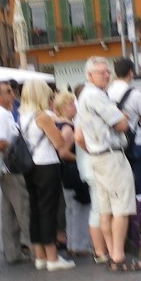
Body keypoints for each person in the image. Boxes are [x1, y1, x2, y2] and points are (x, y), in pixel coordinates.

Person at [77, 56, 141, 272]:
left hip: (97, 156)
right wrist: (121, 117)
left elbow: (80, 136)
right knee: (121, 207)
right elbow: (122, 124)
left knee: (105, 210)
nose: (106, 75)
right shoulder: (96, 96)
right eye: (101, 72)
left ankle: (109, 253)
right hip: (110, 156)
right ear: (89, 75)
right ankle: (118, 255)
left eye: (107, 71)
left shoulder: (84, 96)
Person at [19, 80, 73, 271]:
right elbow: (58, 143)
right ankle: (52, 257)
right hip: (46, 165)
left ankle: (40, 255)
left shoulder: (22, 115)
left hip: (30, 166)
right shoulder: (42, 116)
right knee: (48, 210)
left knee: (35, 209)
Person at [0, 81, 31, 264]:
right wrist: (19, 145)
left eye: (11, 91)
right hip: (10, 167)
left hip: (6, 167)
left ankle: (13, 252)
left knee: (10, 210)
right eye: (8, 92)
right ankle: (36, 249)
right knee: (23, 208)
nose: (12, 94)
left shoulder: (3, 113)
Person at [107, 58, 141, 197]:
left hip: (117, 146)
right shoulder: (134, 93)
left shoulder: (107, 93)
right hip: (138, 143)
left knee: (125, 188)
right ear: (131, 73)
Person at [53, 91, 91, 256]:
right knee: (79, 208)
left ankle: (73, 244)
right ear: (62, 107)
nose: (74, 106)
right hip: (73, 171)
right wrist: (82, 157)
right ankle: (80, 245)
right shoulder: (68, 127)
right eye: (71, 104)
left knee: (72, 209)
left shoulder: (58, 124)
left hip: (66, 173)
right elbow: (63, 152)